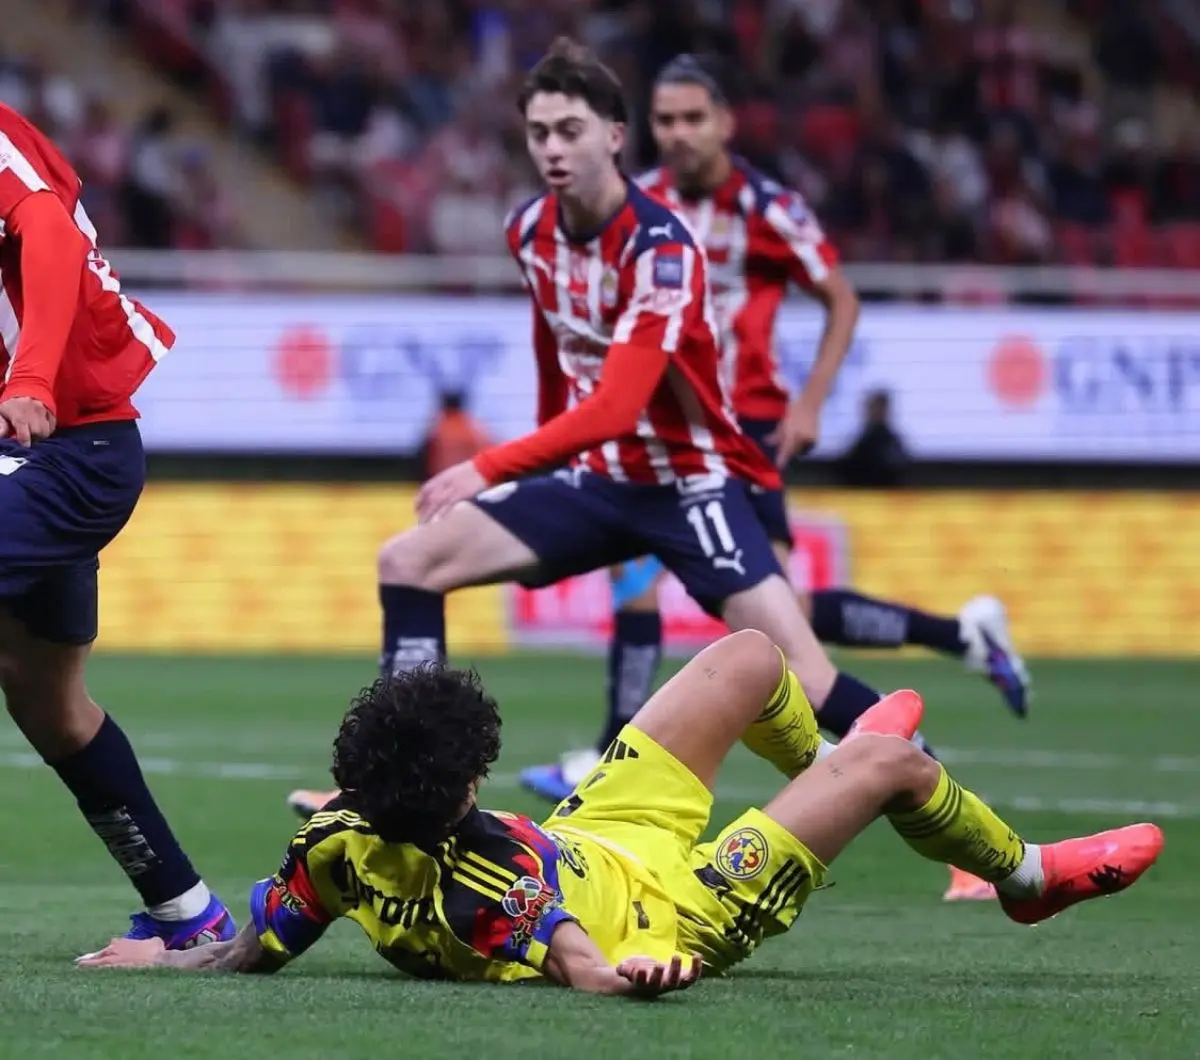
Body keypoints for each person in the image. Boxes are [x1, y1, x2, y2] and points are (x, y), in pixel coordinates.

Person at [517, 56, 1030, 903]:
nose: (677, 135)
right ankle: (608, 763)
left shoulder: (768, 210)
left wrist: (812, 401)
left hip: (744, 434)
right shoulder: (634, 201)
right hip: (664, 439)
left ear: (725, 122)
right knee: (658, 599)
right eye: (665, 120)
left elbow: (840, 297)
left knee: (789, 634)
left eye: (692, 119)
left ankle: (948, 747)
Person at [80, 631, 1163, 992]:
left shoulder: (338, 842)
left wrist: (166, 963)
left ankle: (829, 762)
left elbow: (250, 952)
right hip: (670, 905)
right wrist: (638, 974)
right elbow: (579, 962)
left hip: (600, 828)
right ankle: (1028, 877)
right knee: (896, 766)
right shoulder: (496, 875)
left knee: (745, 658)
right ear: (467, 788)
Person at [0, 102, 234, 947]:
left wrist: (30, 378)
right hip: (38, 450)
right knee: (51, 706)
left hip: (69, 445)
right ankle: (189, 915)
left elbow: (53, 241)